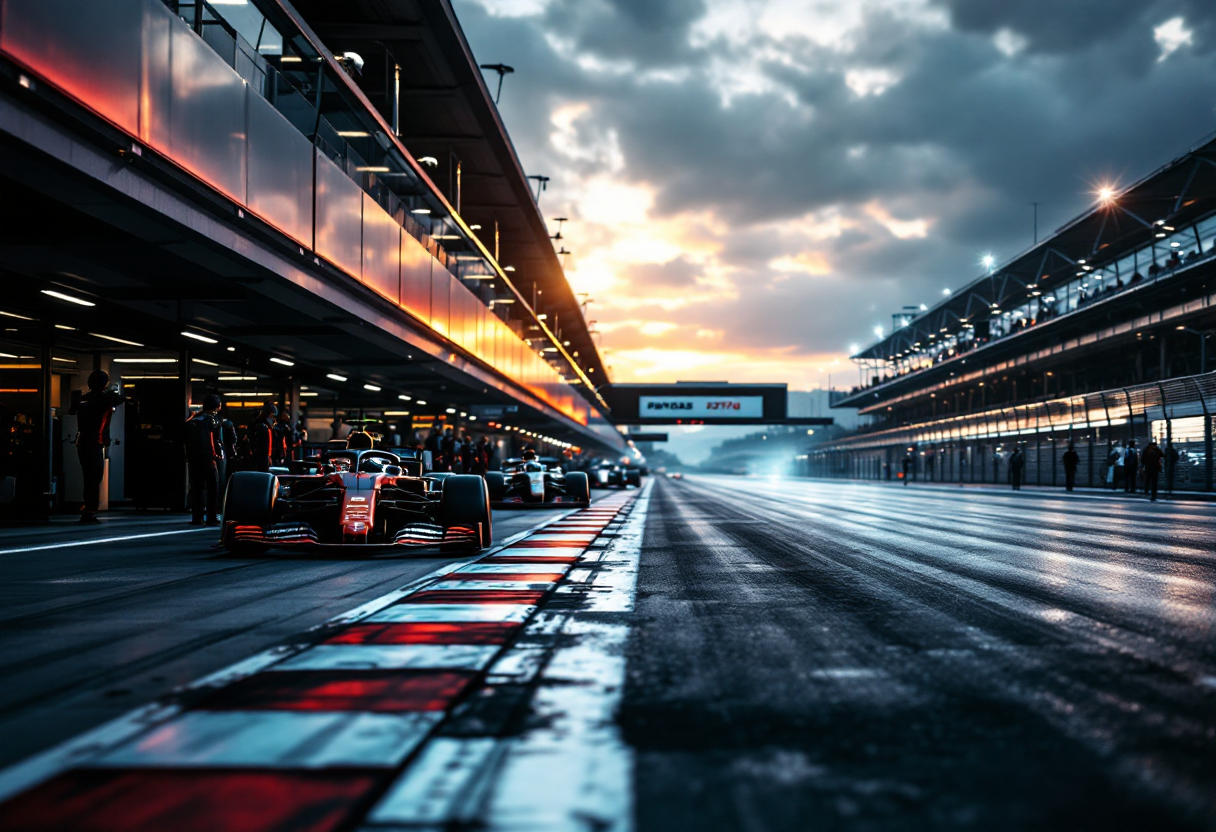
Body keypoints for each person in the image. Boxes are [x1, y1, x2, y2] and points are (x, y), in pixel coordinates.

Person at [69, 370, 124, 523]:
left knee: (87, 476)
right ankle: (90, 510)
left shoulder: (83, 399)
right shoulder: (105, 399)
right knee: (95, 476)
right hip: (95, 441)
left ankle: (87, 506)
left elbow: (72, 410)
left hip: (82, 441)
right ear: (104, 384)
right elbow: (120, 399)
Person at [184, 395, 222, 525]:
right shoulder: (214, 421)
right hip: (209, 457)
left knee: (197, 487)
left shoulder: (193, 420)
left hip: (193, 458)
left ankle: (197, 517)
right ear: (217, 406)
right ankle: (211, 516)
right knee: (213, 487)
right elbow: (218, 441)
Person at [217, 407, 238, 505]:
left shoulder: (214, 423)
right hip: (227, 454)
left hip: (215, 453)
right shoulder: (228, 424)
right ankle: (224, 501)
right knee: (227, 478)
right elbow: (233, 439)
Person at [248, 404, 276, 473]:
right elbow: (266, 443)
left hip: (258, 455)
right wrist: (268, 456)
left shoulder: (256, 423)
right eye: (272, 416)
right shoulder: (264, 427)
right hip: (263, 456)